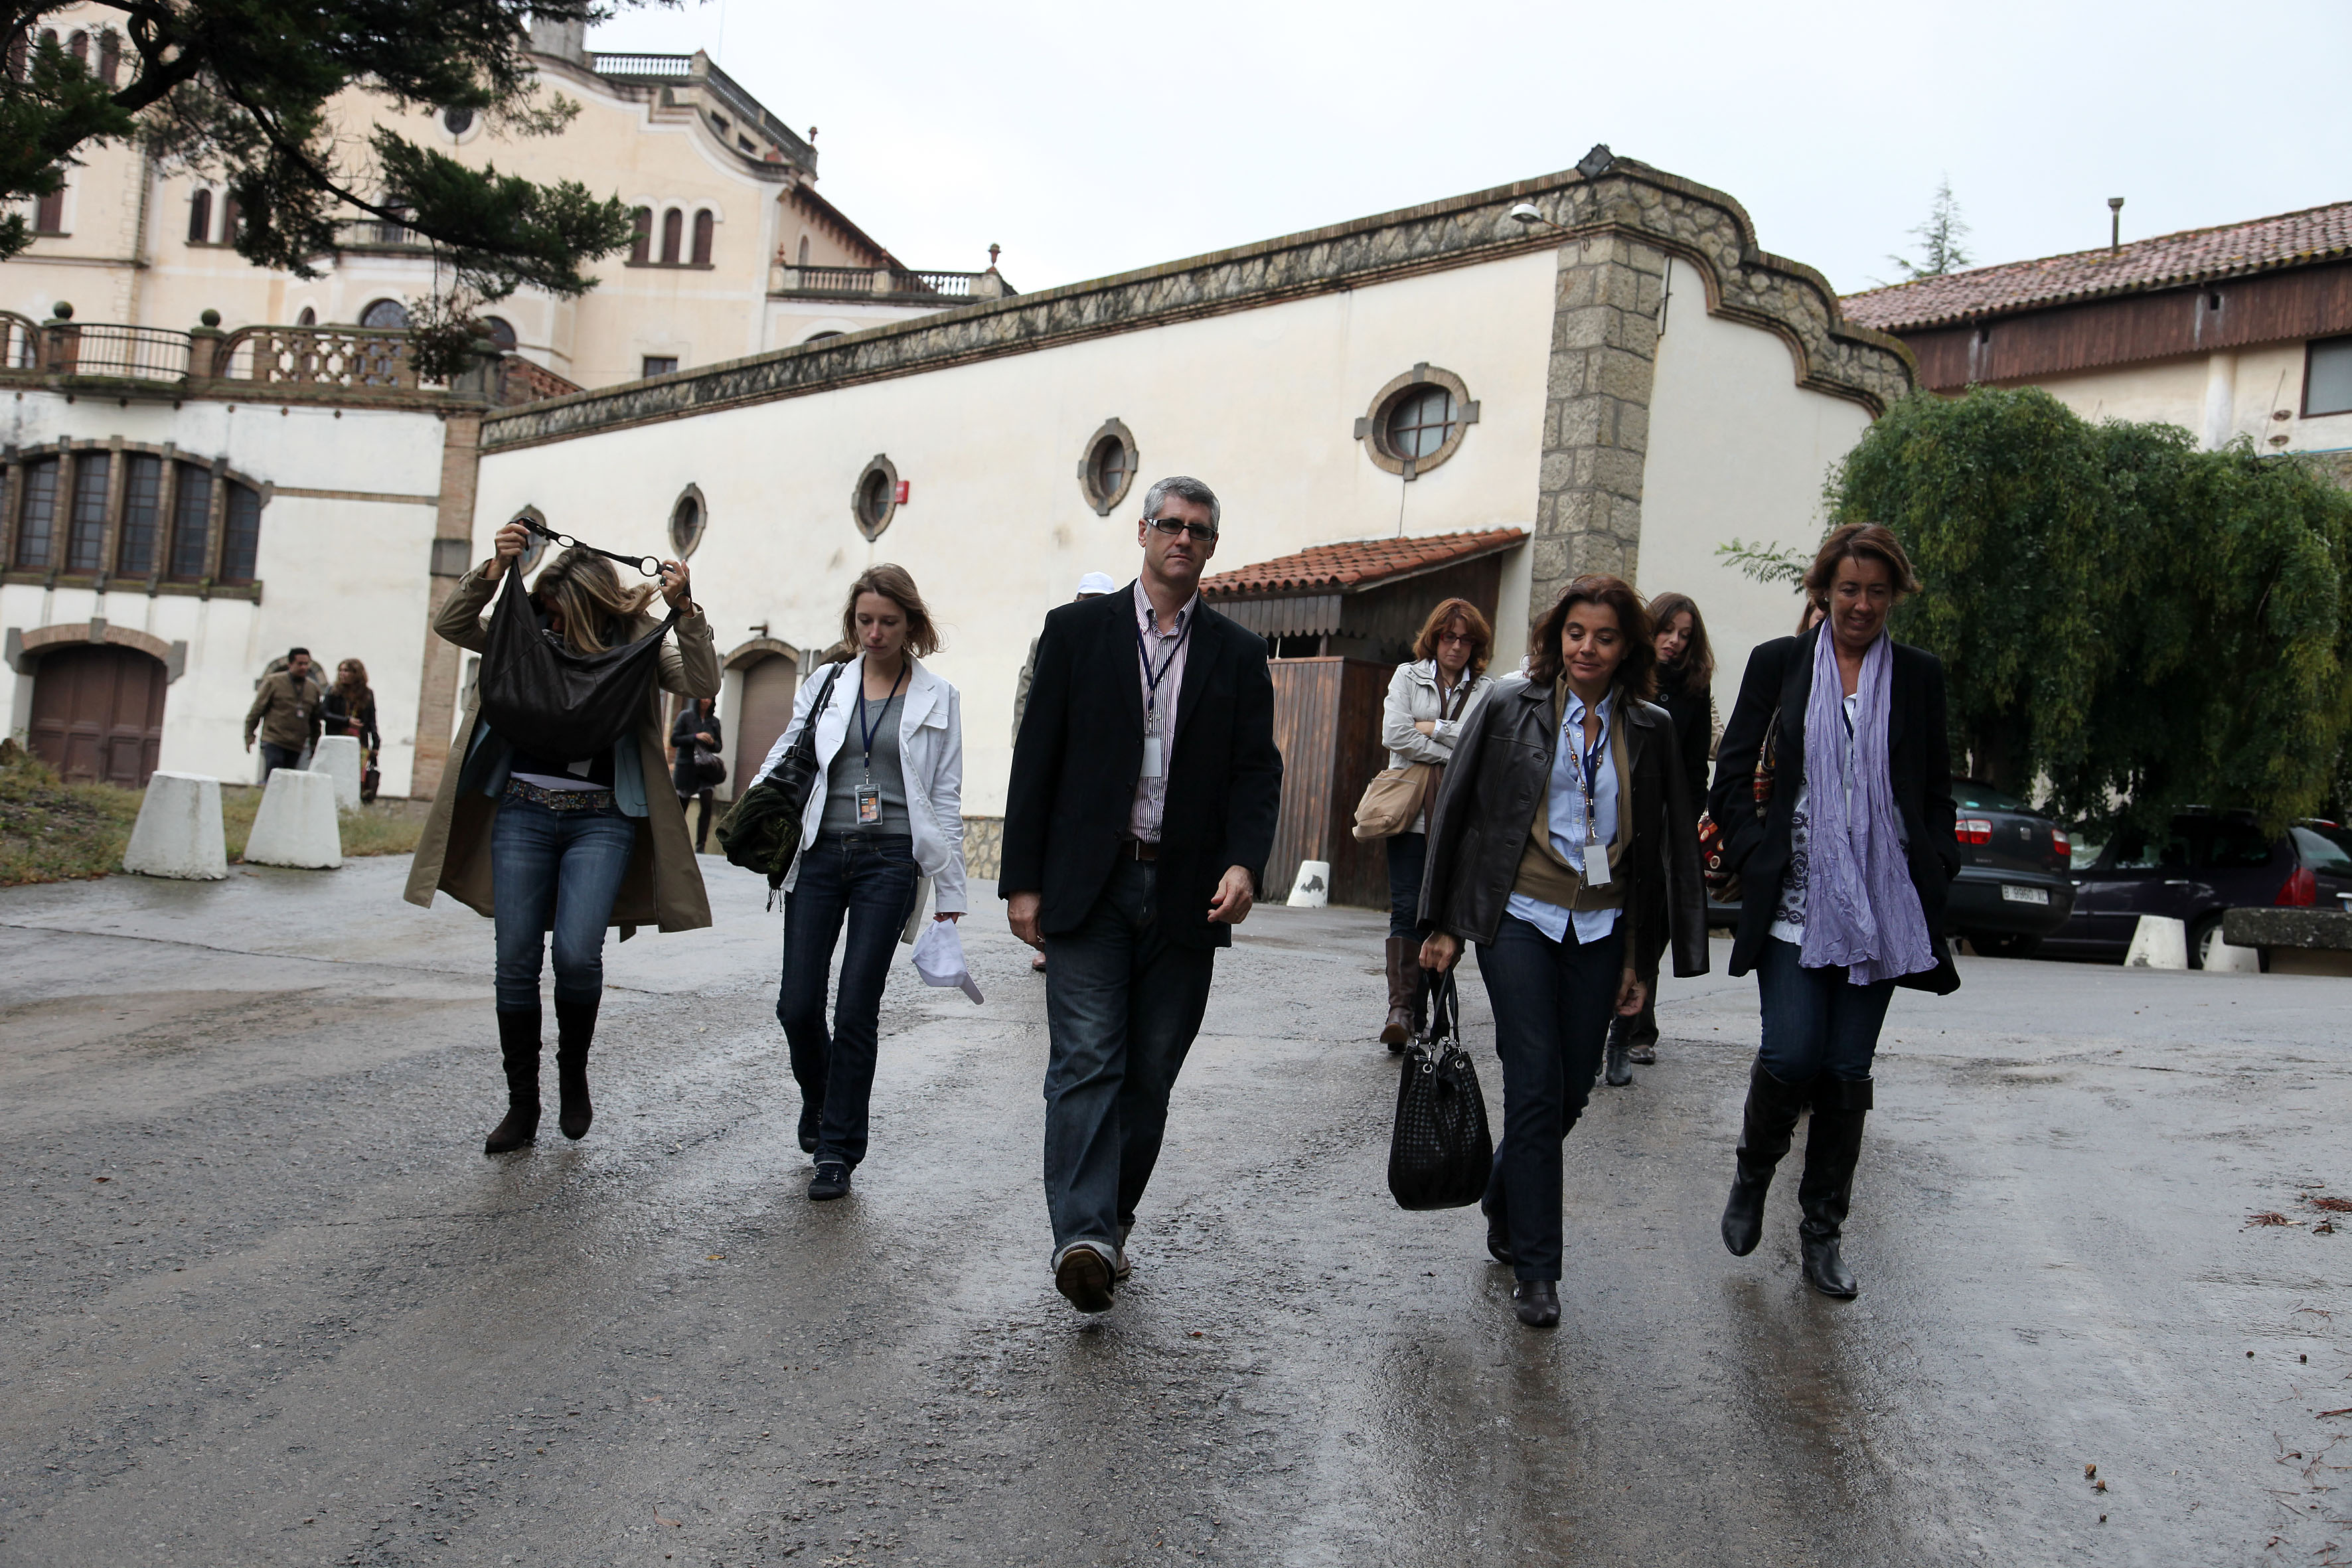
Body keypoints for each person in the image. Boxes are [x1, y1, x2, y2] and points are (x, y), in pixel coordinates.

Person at [1002, 475, 1283, 1314]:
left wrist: (1244, 864)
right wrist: (1022, 882)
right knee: (1087, 1058)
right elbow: (1036, 759)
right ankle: (1082, 1236)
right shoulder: (1075, 632)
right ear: (1143, 532)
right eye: (1171, 524)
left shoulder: (1238, 653)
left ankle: (1111, 1221)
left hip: (1188, 891)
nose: (1184, 538)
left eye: (1199, 530)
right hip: (1091, 881)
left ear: (1211, 546)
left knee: (1150, 1072)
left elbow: (1255, 773)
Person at [1417, 575, 1708, 1328]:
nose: (1587, 648)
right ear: (1556, 637)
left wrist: (1639, 960)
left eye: (1604, 637)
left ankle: (1504, 1192)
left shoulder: (1650, 726)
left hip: (1602, 929)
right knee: (1535, 1087)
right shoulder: (1508, 704)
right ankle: (1538, 1271)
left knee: (1573, 1089)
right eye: (1576, 633)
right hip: (1518, 918)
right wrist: (1443, 923)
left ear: (1627, 647)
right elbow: (1459, 812)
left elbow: (1653, 857)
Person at [404, 520, 718, 1156]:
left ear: (588, 606)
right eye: (543, 608)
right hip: (522, 810)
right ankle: (522, 1103)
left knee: (576, 956)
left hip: (601, 819)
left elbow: (701, 682)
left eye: (558, 610)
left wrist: (686, 612)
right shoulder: (526, 632)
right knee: (516, 960)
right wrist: (494, 572)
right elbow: (453, 625)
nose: (550, 619)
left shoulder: (635, 642)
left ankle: (572, 1072)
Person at [1709, 522, 1958, 1300]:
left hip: (1882, 907)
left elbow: (1937, 789)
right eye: (1849, 588)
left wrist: (1937, 861)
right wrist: (1756, 851)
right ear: (1823, 591)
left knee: (1847, 1072)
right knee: (1791, 1056)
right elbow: (1731, 773)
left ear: (1895, 596)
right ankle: (1753, 1172)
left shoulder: (1918, 675)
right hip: (1794, 900)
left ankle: (1822, 1232)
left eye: (1877, 591)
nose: (1862, 604)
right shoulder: (1779, 663)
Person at [764, 566, 967, 1202]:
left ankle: (837, 1150)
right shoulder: (826, 683)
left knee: (855, 1008)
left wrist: (951, 896)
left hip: (891, 860)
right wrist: (755, 809)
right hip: (820, 854)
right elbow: (786, 752)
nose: (874, 633)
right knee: (797, 1005)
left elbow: (946, 796)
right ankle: (822, 1098)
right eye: (864, 621)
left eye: (887, 622)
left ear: (911, 624)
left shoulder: (939, 697)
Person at [1603, 592, 1715, 1084]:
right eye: (1667, 630)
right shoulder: (1625, 676)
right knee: (1609, 917)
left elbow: (1694, 769)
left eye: (1685, 635)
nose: (1674, 642)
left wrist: (1689, 827)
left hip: (1666, 823)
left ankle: (1630, 1030)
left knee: (1654, 925)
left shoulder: (1693, 688)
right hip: (1611, 816)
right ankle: (1608, 1024)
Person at [1375, 598, 1496, 1047]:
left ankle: (1436, 1012)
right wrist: (1451, 749)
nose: (1456, 647)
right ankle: (1403, 1012)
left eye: (1466, 640)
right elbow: (1395, 734)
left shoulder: (1488, 691)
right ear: (1435, 637)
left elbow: (1486, 745)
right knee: (1408, 909)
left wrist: (1432, 728)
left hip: (1460, 817)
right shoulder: (1407, 676)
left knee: (1446, 914)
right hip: (1410, 813)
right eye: (1449, 637)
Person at [1014, 570, 1118, 973]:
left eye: (1098, 599)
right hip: (1053, 759)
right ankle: (1047, 939)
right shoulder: (1051, 637)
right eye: (1085, 599)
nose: (1090, 606)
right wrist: (1027, 752)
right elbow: (1027, 694)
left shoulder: (1122, 641)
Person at [244, 647, 322, 781]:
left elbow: (315, 720)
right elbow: (257, 710)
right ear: (290, 664)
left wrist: (315, 745)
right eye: (300, 664)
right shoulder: (274, 682)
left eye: (306, 664)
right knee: (275, 776)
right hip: (274, 739)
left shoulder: (313, 688)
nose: (304, 667)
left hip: (297, 744)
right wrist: (249, 735)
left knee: (288, 780)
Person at [322, 659, 380, 799]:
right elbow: (324, 713)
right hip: (337, 739)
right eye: (341, 670)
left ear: (356, 674)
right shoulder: (333, 691)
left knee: (356, 775)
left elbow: (371, 720)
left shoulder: (367, 694)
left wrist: (376, 744)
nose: (342, 674)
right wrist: (346, 721)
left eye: (346, 671)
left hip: (359, 742)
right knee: (336, 773)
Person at [669, 695, 722, 852]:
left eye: (710, 699)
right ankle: (676, 843)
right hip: (686, 768)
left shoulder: (714, 722)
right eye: (703, 698)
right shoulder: (686, 716)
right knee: (681, 808)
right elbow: (674, 740)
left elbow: (719, 747)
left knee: (707, 804)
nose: (706, 701)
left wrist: (712, 742)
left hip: (705, 770)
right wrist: (695, 737)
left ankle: (700, 846)